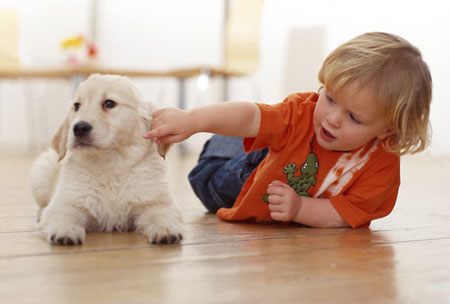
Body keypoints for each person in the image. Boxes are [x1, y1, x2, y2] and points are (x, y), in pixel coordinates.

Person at [144, 32, 432, 228]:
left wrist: (300, 210)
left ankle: (246, 139)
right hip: (232, 179)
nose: (332, 119)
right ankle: (229, 138)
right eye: (329, 98)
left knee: (266, 129)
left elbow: (347, 213)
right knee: (215, 162)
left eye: (354, 117)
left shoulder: (381, 167)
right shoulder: (304, 112)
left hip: (271, 186)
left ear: (387, 131)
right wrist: (193, 120)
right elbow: (250, 116)